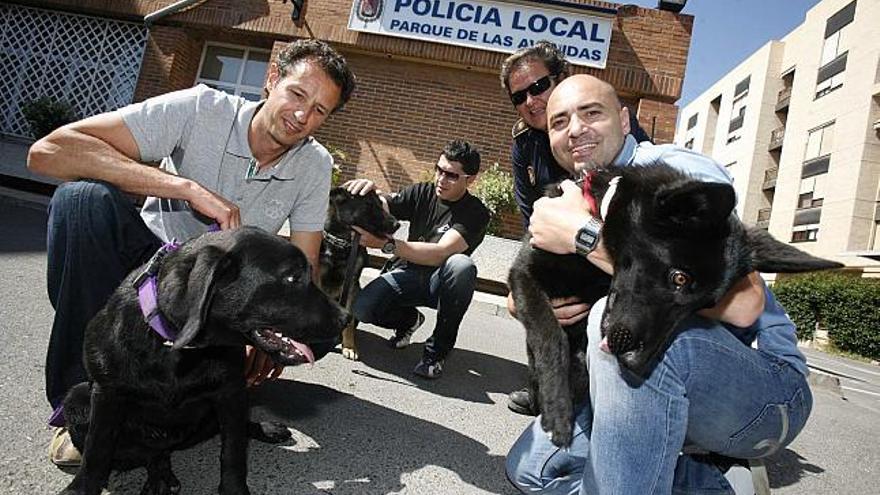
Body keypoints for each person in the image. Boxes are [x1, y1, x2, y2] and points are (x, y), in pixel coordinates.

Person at [27, 39, 356, 466]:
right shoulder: (201, 109)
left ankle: (195, 386)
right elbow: (47, 153)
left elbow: (305, 260)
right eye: (297, 94)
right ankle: (81, 410)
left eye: (319, 111)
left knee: (322, 326)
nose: (301, 116)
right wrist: (185, 188)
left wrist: (269, 331)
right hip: (148, 273)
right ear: (272, 80)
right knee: (82, 201)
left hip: (220, 294)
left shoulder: (314, 163)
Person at [505, 74, 813, 494]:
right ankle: (712, 482)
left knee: (610, 321)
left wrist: (583, 236)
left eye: (591, 113)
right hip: (659, 381)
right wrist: (527, 302)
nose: (575, 129)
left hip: (762, 392)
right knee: (532, 471)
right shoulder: (579, 194)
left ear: (625, 120)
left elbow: (744, 308)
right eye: (559, 123)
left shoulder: (672, 173)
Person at [500, 42, 651, 416]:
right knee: (539, 304)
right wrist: (520, 292)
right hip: (558, 245)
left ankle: (618, 405)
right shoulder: (525, 145)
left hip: (612, 251)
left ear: (563, 78)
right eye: (519, 96)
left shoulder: (618, 138)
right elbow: (530, 220)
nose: (531, 101)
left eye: (539, 87)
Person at [344, 140, 490, 379]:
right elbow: (386, 205)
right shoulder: (422, 192)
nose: (441, 179)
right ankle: (410, 320)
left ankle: (435, 354)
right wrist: (370, 194)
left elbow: (440, 253)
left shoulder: (476, 213)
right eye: (439, 170)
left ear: (470, 179)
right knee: (361, 309)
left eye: (451, 175)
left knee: (461, 265)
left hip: (440, 283)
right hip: (407, 274)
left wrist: (386, 244)